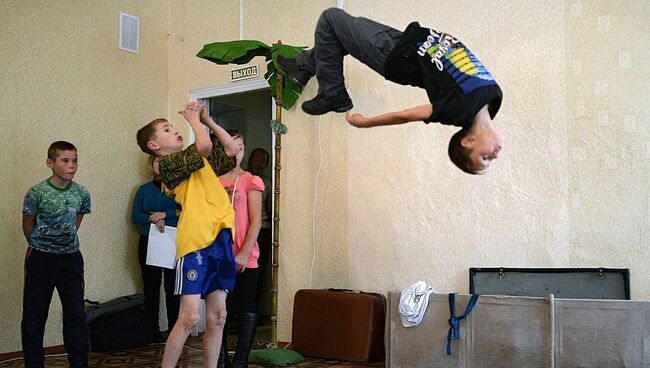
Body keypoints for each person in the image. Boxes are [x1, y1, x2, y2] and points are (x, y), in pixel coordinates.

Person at [277, 7, 504, 174]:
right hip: (407, 42)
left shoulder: (459, 111)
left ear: (468, 141)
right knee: (337, 37)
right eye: (488, 159)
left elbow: (407, 116)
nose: (495, 155)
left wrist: (366, 122)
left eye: (485, 158)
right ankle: (302, 66)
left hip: (393, 56)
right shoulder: (494, 98)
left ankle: (332, 94)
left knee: (330, 19)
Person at [136, 101, 240, 368]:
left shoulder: (200, 162)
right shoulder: (167, 165)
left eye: (174, 127)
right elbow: (204, 146)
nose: (176, 131)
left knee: (218, 316)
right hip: (195, 244)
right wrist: (194, 119)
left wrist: (207, 120)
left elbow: (231, 149)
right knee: (190, 317)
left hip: (221, 239)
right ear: (154, 146)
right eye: (168, 130)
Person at [21, 141, 91, 368]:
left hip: (70, 259)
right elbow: (28, 224)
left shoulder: (82, 193)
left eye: (75, 161)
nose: (72, 166)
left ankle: (79, 362)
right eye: (65, 161)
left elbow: (76, 220)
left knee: (75, 313)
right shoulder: (36, 192)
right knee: (34, 315)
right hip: (41, 258)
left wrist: (63, 244)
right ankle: (34, 363)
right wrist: (42, 245)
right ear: (50, 163)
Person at [218, 132, 265, 367]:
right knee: (220, 310)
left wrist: (245, 252)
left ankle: (240, 361)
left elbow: (256, 220)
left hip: (246, 257)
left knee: (246, 307)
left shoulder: (250, 180)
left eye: (240, 147)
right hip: (219, 256)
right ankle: (221, 359)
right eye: (231, 146)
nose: (236, 152)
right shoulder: (213, 182)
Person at [131, 155, 181, 343]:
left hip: (173, 241)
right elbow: (135, 216)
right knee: (151, 288)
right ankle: (152, 332)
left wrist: (164, 215)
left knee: (172, 288)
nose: (161, 165)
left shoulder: (180, 187)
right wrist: (152, 218)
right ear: (151, 165)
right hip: (149, 241)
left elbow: (186, 211)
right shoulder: (143, 190)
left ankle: (175, 332)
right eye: (158, 161)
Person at [246, 148, 272, 310]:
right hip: (242, 231)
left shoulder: (267, 183)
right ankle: (235, 315)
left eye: (264, 161)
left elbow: (270, 208)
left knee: (259, 272)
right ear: (249, 159)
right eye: (256, 159)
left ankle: (252, 313)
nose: (259, 164)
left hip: (263, 230)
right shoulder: (241, 178)